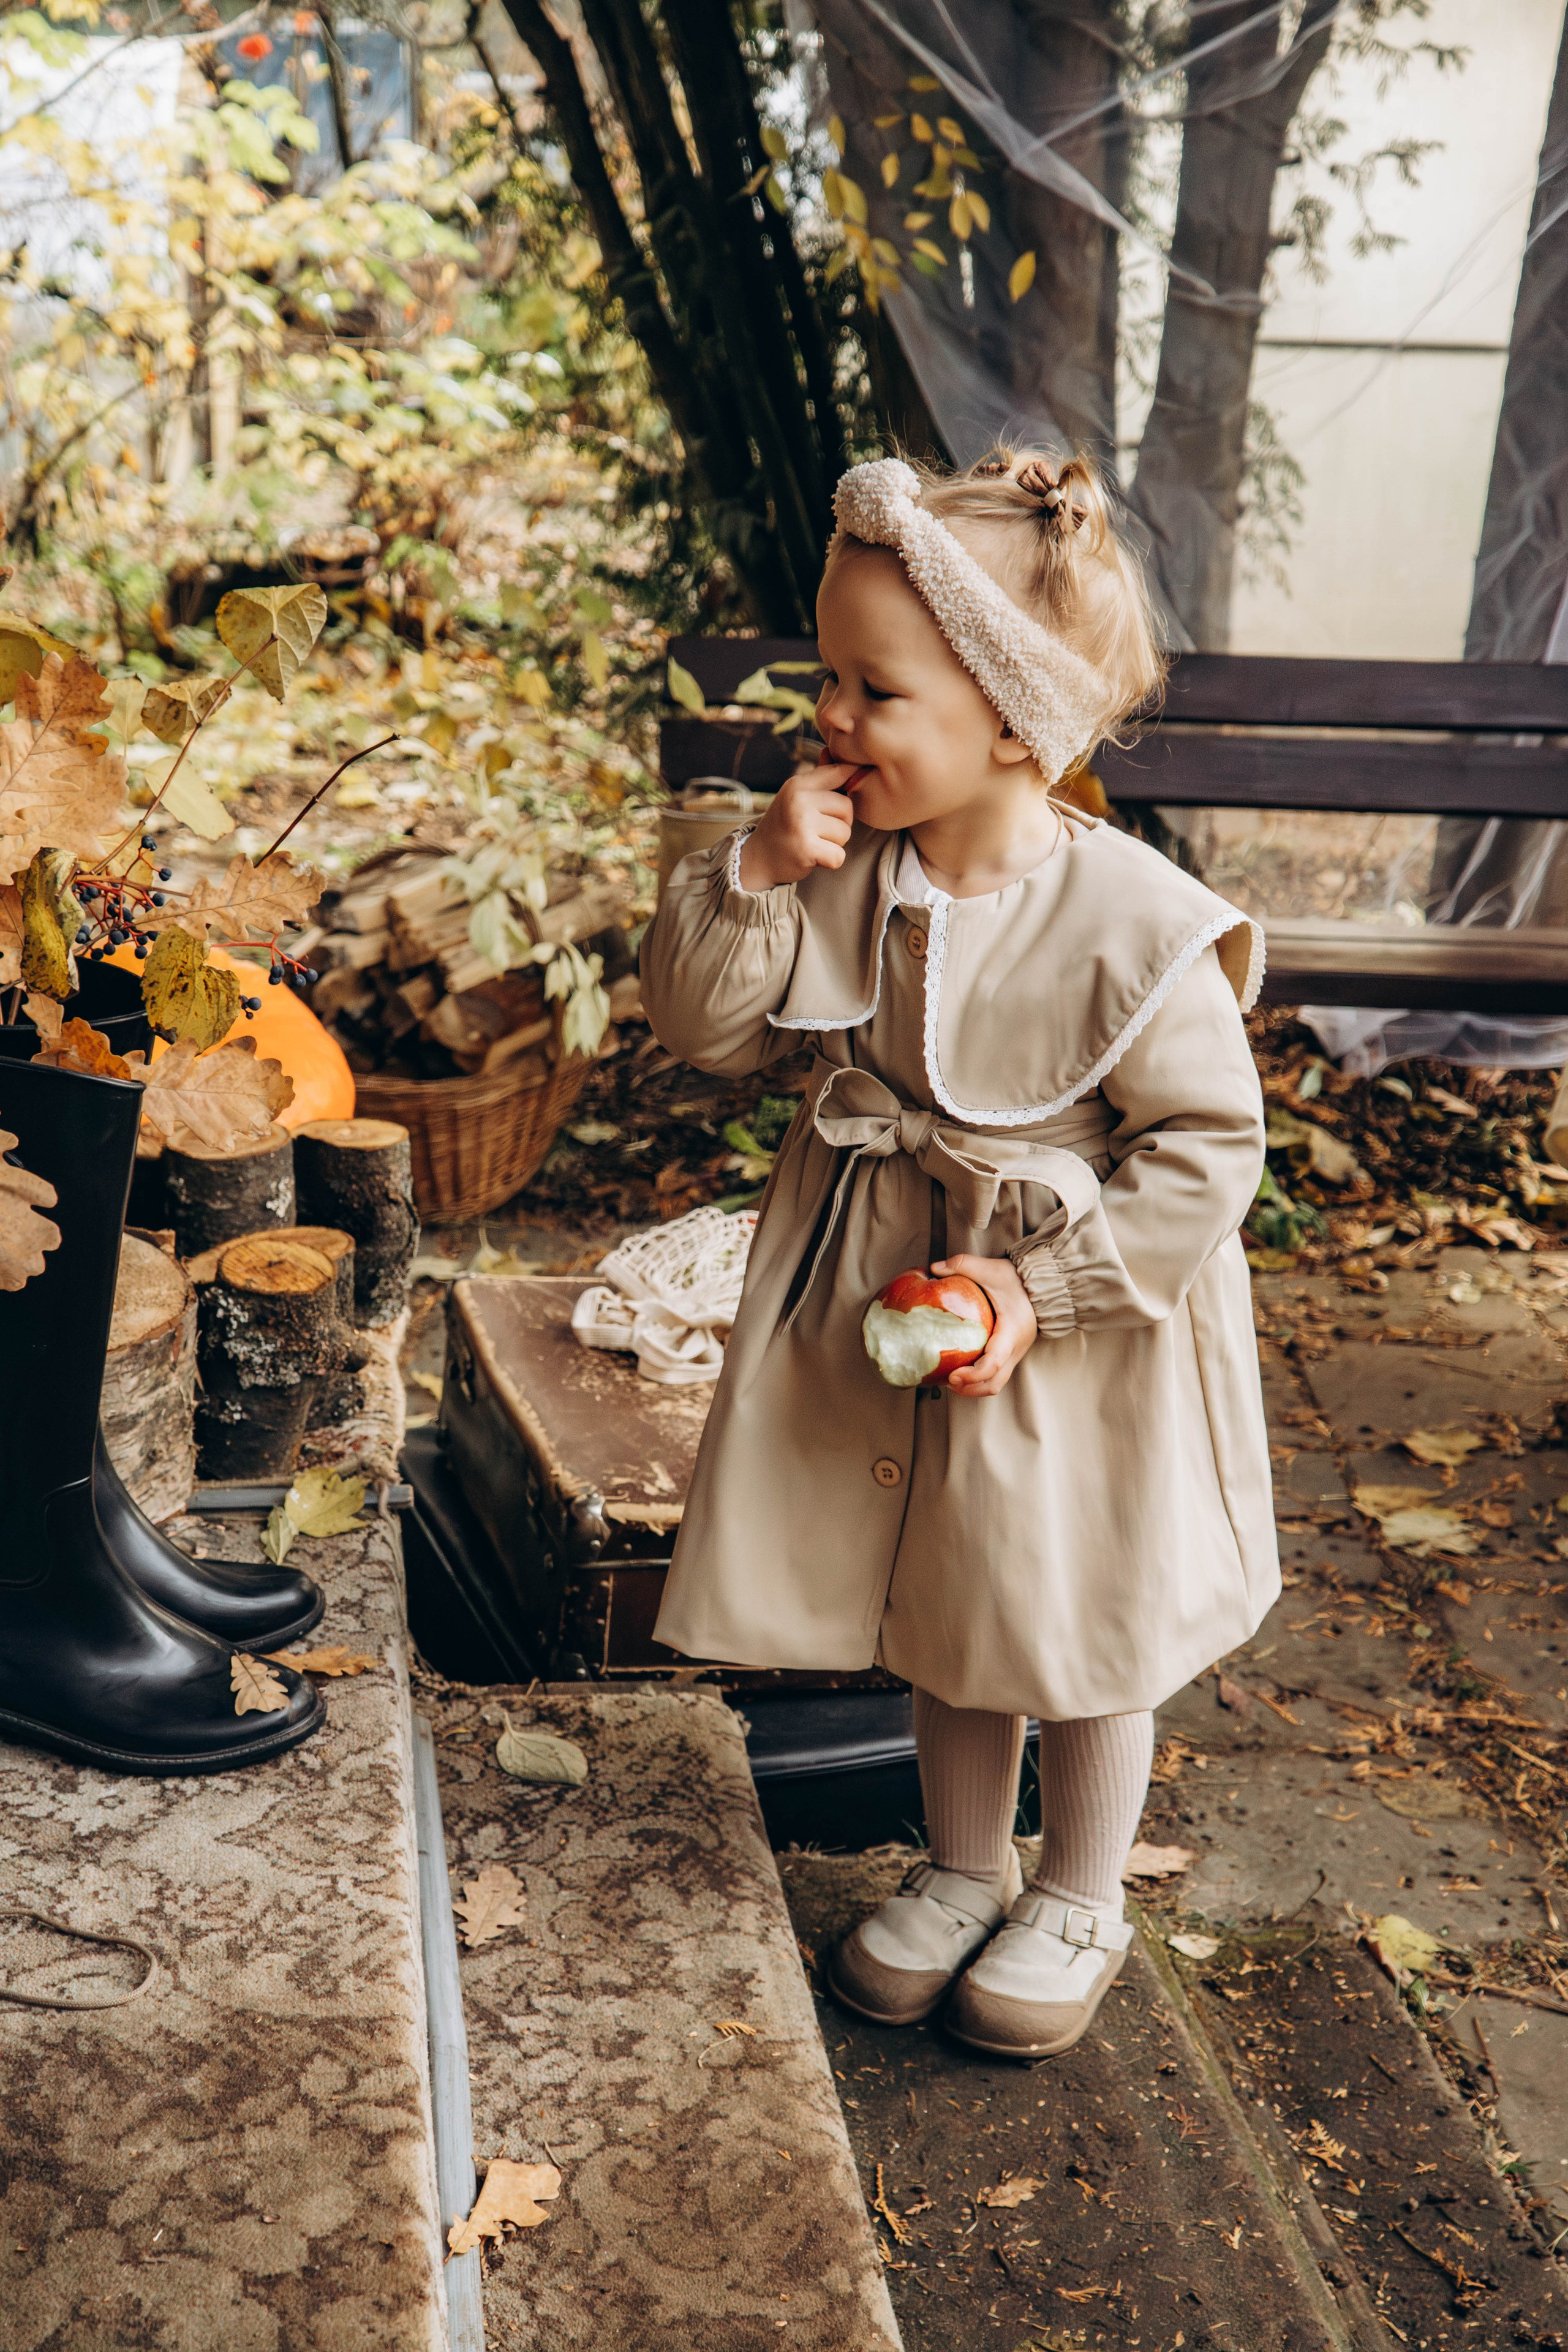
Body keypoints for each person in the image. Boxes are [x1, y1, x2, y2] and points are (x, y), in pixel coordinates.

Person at [639, 451, 1276, 2059]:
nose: (831, 718)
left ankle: (1079, 1887)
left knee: (1079, 1597)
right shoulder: (846, 864)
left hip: (1074, 1329)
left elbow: (1211, 1149)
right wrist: (754, 876)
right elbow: (704, 1027)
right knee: (953, 1587)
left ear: (1012, 720)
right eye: (826, 678)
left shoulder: (1133, 920)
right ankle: (965, 1862)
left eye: (875, 689)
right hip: (896, 1291)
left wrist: (1038, 1288)